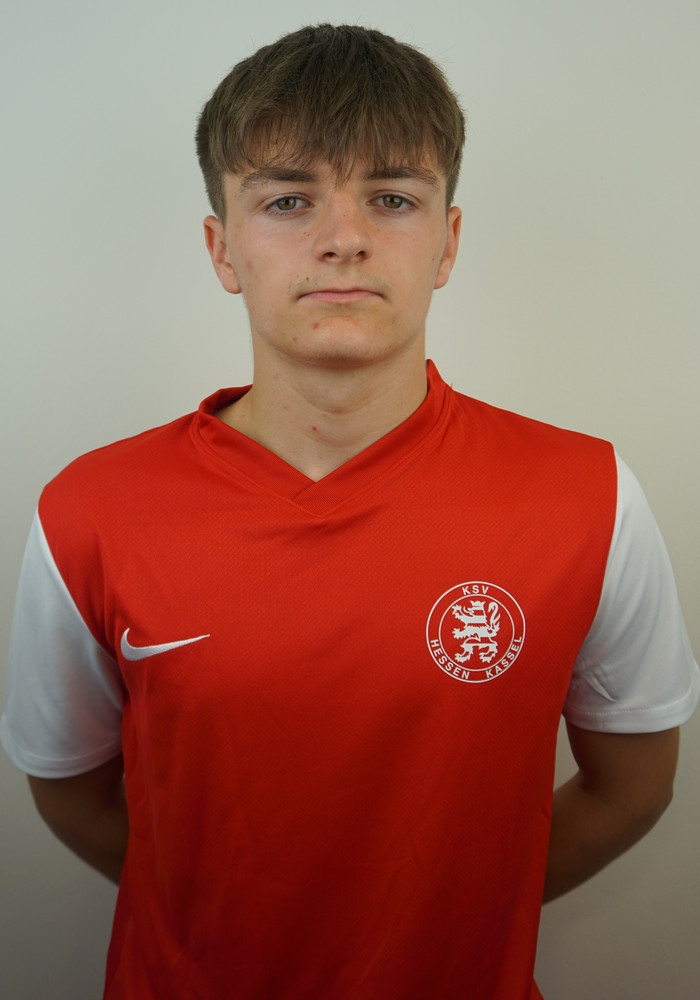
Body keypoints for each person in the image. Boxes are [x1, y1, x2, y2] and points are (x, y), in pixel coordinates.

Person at [1, 23, 698, 1000]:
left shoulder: (590, 495)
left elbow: (634, 785)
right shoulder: (91, 511)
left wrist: (452, 914)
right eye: (287, 199)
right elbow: (69, 790)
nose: (343, 237)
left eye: (392, 197)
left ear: (448, 242)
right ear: (223, 248)